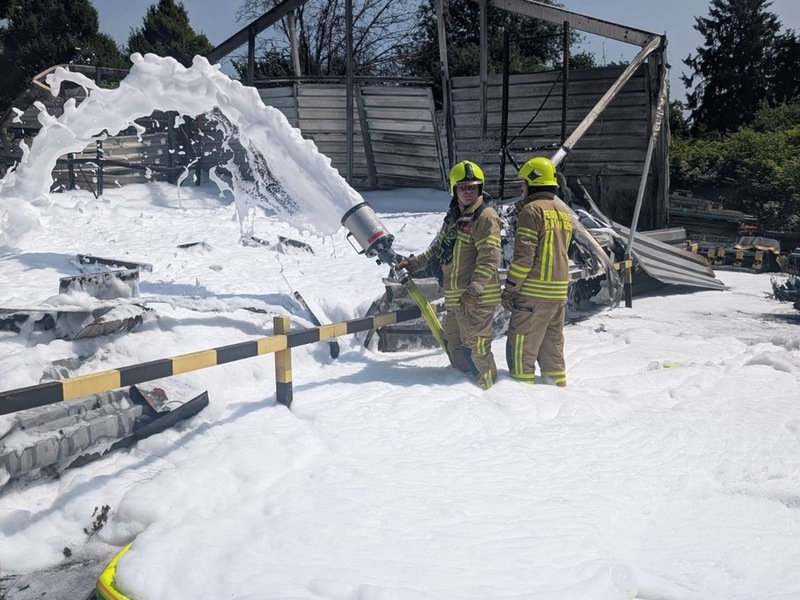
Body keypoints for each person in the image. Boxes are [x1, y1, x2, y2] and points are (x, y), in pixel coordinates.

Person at [397, 160, 502, 390]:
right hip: (456, 299)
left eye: (472, 187)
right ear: (454, 189)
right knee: (454, 345)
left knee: (476, 348)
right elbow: (437, 250)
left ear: (480, 188)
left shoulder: (485, 216)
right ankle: (463, 389)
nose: (468, 191)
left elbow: (490, 257)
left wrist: (474, 291)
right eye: (463, 187)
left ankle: (490, 393)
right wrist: (412, 264)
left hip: (476, 299)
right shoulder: (454, 217)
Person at [502, 156, 572, 386]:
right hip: (558, 294)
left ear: (533, 182)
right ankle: (557, 389)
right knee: (552, 349)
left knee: (521, 352)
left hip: (533, 295)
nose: (521, 189)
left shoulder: (531, 211)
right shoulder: (563, 212)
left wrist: (510, 288)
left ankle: (521, 397)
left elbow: (524, 258)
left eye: (523, 183)